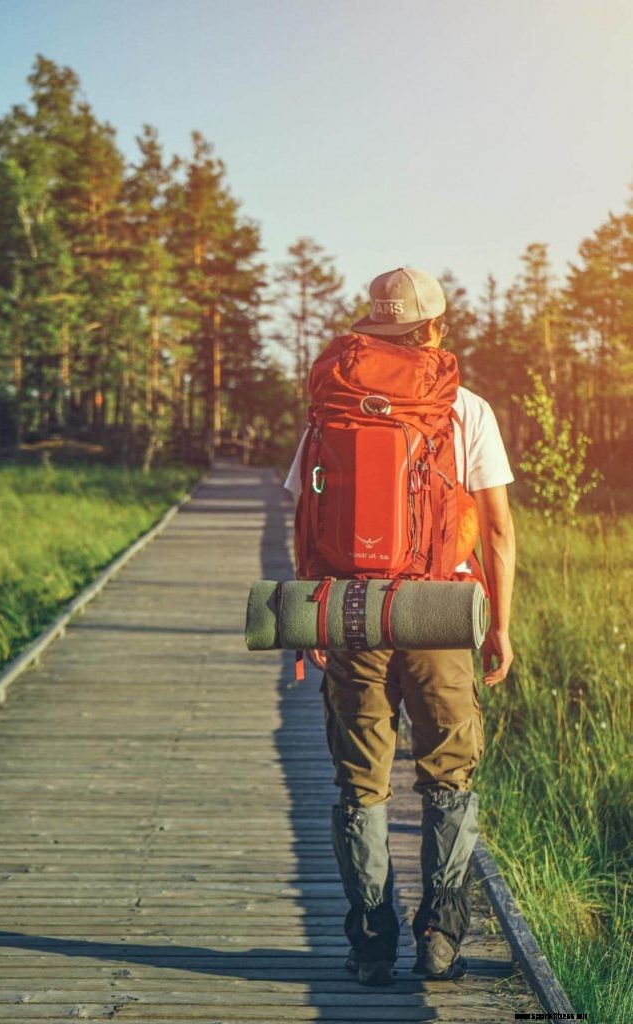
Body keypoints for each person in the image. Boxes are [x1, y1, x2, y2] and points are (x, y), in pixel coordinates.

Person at [284, 267, 516, 986]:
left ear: (373, 326)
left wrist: (311, 612)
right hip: (439, 613)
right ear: (435, 328)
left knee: (362, 783)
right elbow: (500, 530)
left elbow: (304, 517)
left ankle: (372, 942)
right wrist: (498, 625)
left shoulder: (335, 402)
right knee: (448, 774)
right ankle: (441, 939)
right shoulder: (464, 408)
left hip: (353, 613)